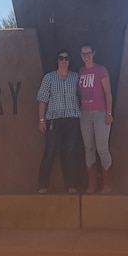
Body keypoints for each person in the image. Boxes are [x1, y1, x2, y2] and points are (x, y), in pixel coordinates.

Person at [36, 48, 82, 194]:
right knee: (50, 151)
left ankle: (71, 185)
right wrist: (41, 120)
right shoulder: (49, 78)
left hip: (72, 119)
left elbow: (83, 96)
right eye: (61, 58)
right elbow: (42, 100)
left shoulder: (76, 77)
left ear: (69, 61)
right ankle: (43, 185)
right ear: (57, 61)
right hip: (54, 120)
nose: (64, 61)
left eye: (66, 58)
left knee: (69, 151)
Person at [78, 42, 114, 194]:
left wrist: (109, 113)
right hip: (85, 114)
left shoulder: (101, 70)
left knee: (102, 148)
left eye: (88, 53)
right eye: (83, 54)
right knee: (89, 149)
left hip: (100, 113)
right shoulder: (80, 72)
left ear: (93, 53)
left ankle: (108, 183)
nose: (86, 56)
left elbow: (108, 93)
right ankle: (92, 184)